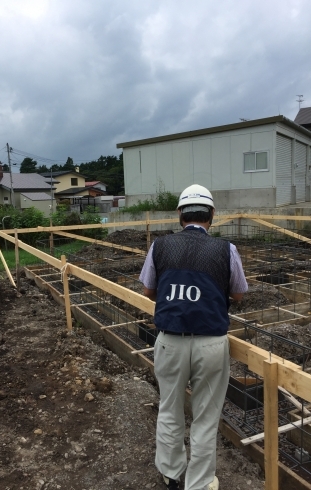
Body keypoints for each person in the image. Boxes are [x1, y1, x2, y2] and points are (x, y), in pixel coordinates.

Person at [139, 184, 248, 490]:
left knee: (170, 409)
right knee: (205, 416)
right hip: (210, 344)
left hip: (170, 341)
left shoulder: (160, 246)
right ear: (212, 215)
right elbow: (238, 292)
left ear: (179, 215)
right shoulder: (226, 249)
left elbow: (148, 290)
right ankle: (199, 483)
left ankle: (172, 474)